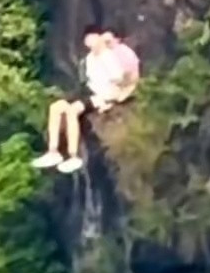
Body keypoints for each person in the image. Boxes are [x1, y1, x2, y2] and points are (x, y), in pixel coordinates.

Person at [32, 30, 141, 172]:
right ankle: (53, 152)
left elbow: (120, 82)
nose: (92, 47)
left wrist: (111, 101)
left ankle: (73, 155)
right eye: (89, 44)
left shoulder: (110, 58)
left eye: (94, 43)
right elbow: (87, 81)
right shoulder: (90, 58)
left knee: (73, 110)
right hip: (88, 91)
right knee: (56, 107)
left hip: (102, 95)